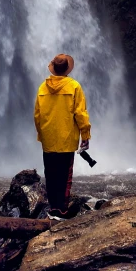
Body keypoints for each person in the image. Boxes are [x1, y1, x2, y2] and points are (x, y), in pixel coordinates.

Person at [34, 54, 91, 220]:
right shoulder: (74, 86)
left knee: (50, 174)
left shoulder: (42, 88)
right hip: (66, 139)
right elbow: (81, 114)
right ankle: (62, 210)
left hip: (48, 139)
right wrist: (85, 134)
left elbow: (37, 116)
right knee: (65, 176)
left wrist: (42, 134)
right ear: (67, 69)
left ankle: (53, 208)